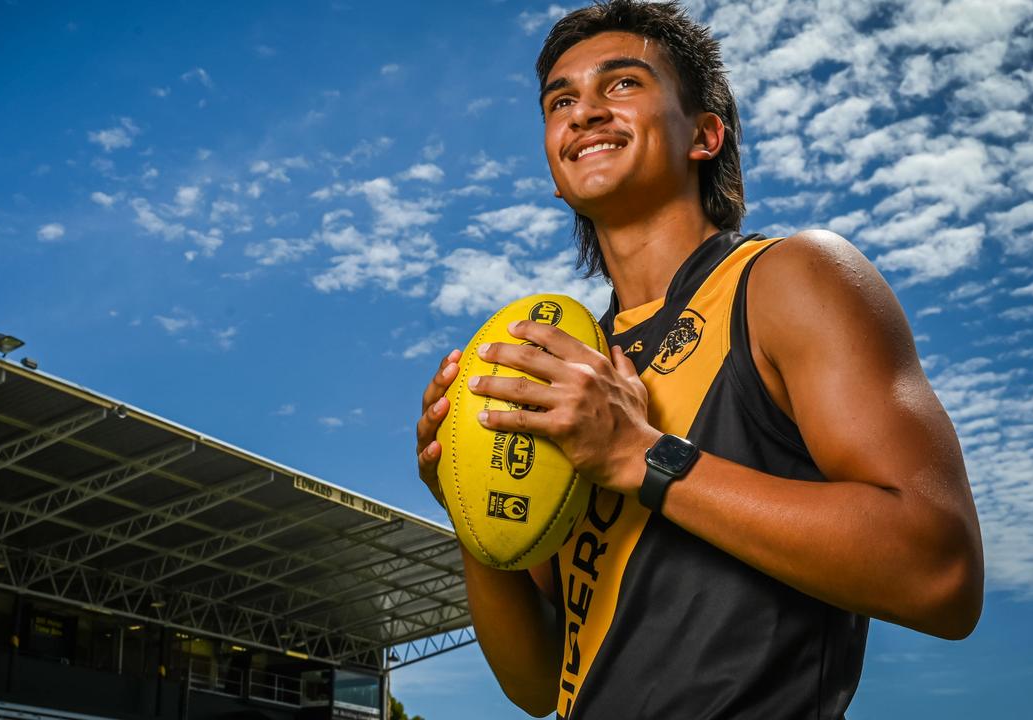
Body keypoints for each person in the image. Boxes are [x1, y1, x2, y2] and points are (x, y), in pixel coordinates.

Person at [414, 1, 984, 718]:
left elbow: (941, 573)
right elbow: (537, 684)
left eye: (622, 84)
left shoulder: (788, 280)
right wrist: (466, 501)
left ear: (706, 134)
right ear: (555, 169)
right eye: (561, 100)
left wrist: (641, 457)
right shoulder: (576, 369)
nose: (584, 111)